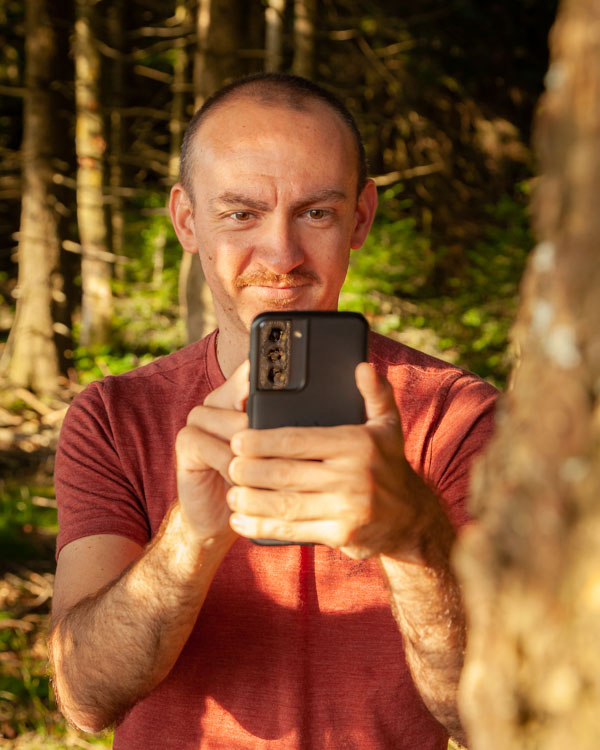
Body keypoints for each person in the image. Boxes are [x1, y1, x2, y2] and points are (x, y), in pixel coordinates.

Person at [49, 73, 497, 750]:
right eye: (240, 214)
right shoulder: (114, 416)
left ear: (362, 217)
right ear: (187, 221)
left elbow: (495, 718)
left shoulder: (457, 417)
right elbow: (85, 699)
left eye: (316, 212)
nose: (282, 256)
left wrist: (414, 540)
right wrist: (190, 537)